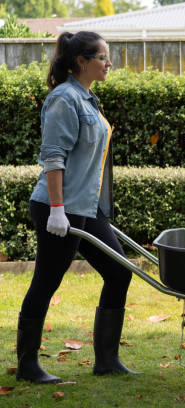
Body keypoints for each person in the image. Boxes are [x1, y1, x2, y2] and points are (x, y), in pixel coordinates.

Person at [16, 31, 139, 384]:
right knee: (46, 281)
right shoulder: (64, 100)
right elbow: (54, 158)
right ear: (81, 61)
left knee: (119, 272)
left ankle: (107, 360)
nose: (108, 63)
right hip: (58, 209)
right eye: (102, 56)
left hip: (85, 208)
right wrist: (57, 209)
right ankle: (28, 366)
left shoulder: (88, 99)